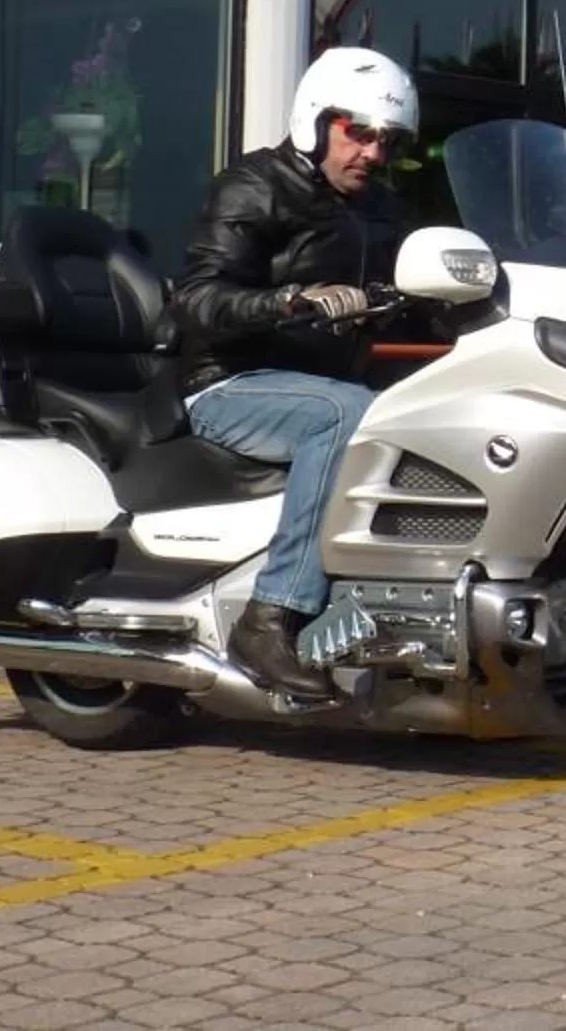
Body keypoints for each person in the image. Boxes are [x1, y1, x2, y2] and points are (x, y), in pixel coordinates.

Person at [172, 48, 415, 700]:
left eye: (385, 140)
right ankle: (270, 617)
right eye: (357, 132)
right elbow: (196, 298)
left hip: (327, 384)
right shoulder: (257, 185)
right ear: (317, 120)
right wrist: (290, 302)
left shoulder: (381, 209)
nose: (371, 152)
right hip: (229, 384)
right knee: (341, 413)